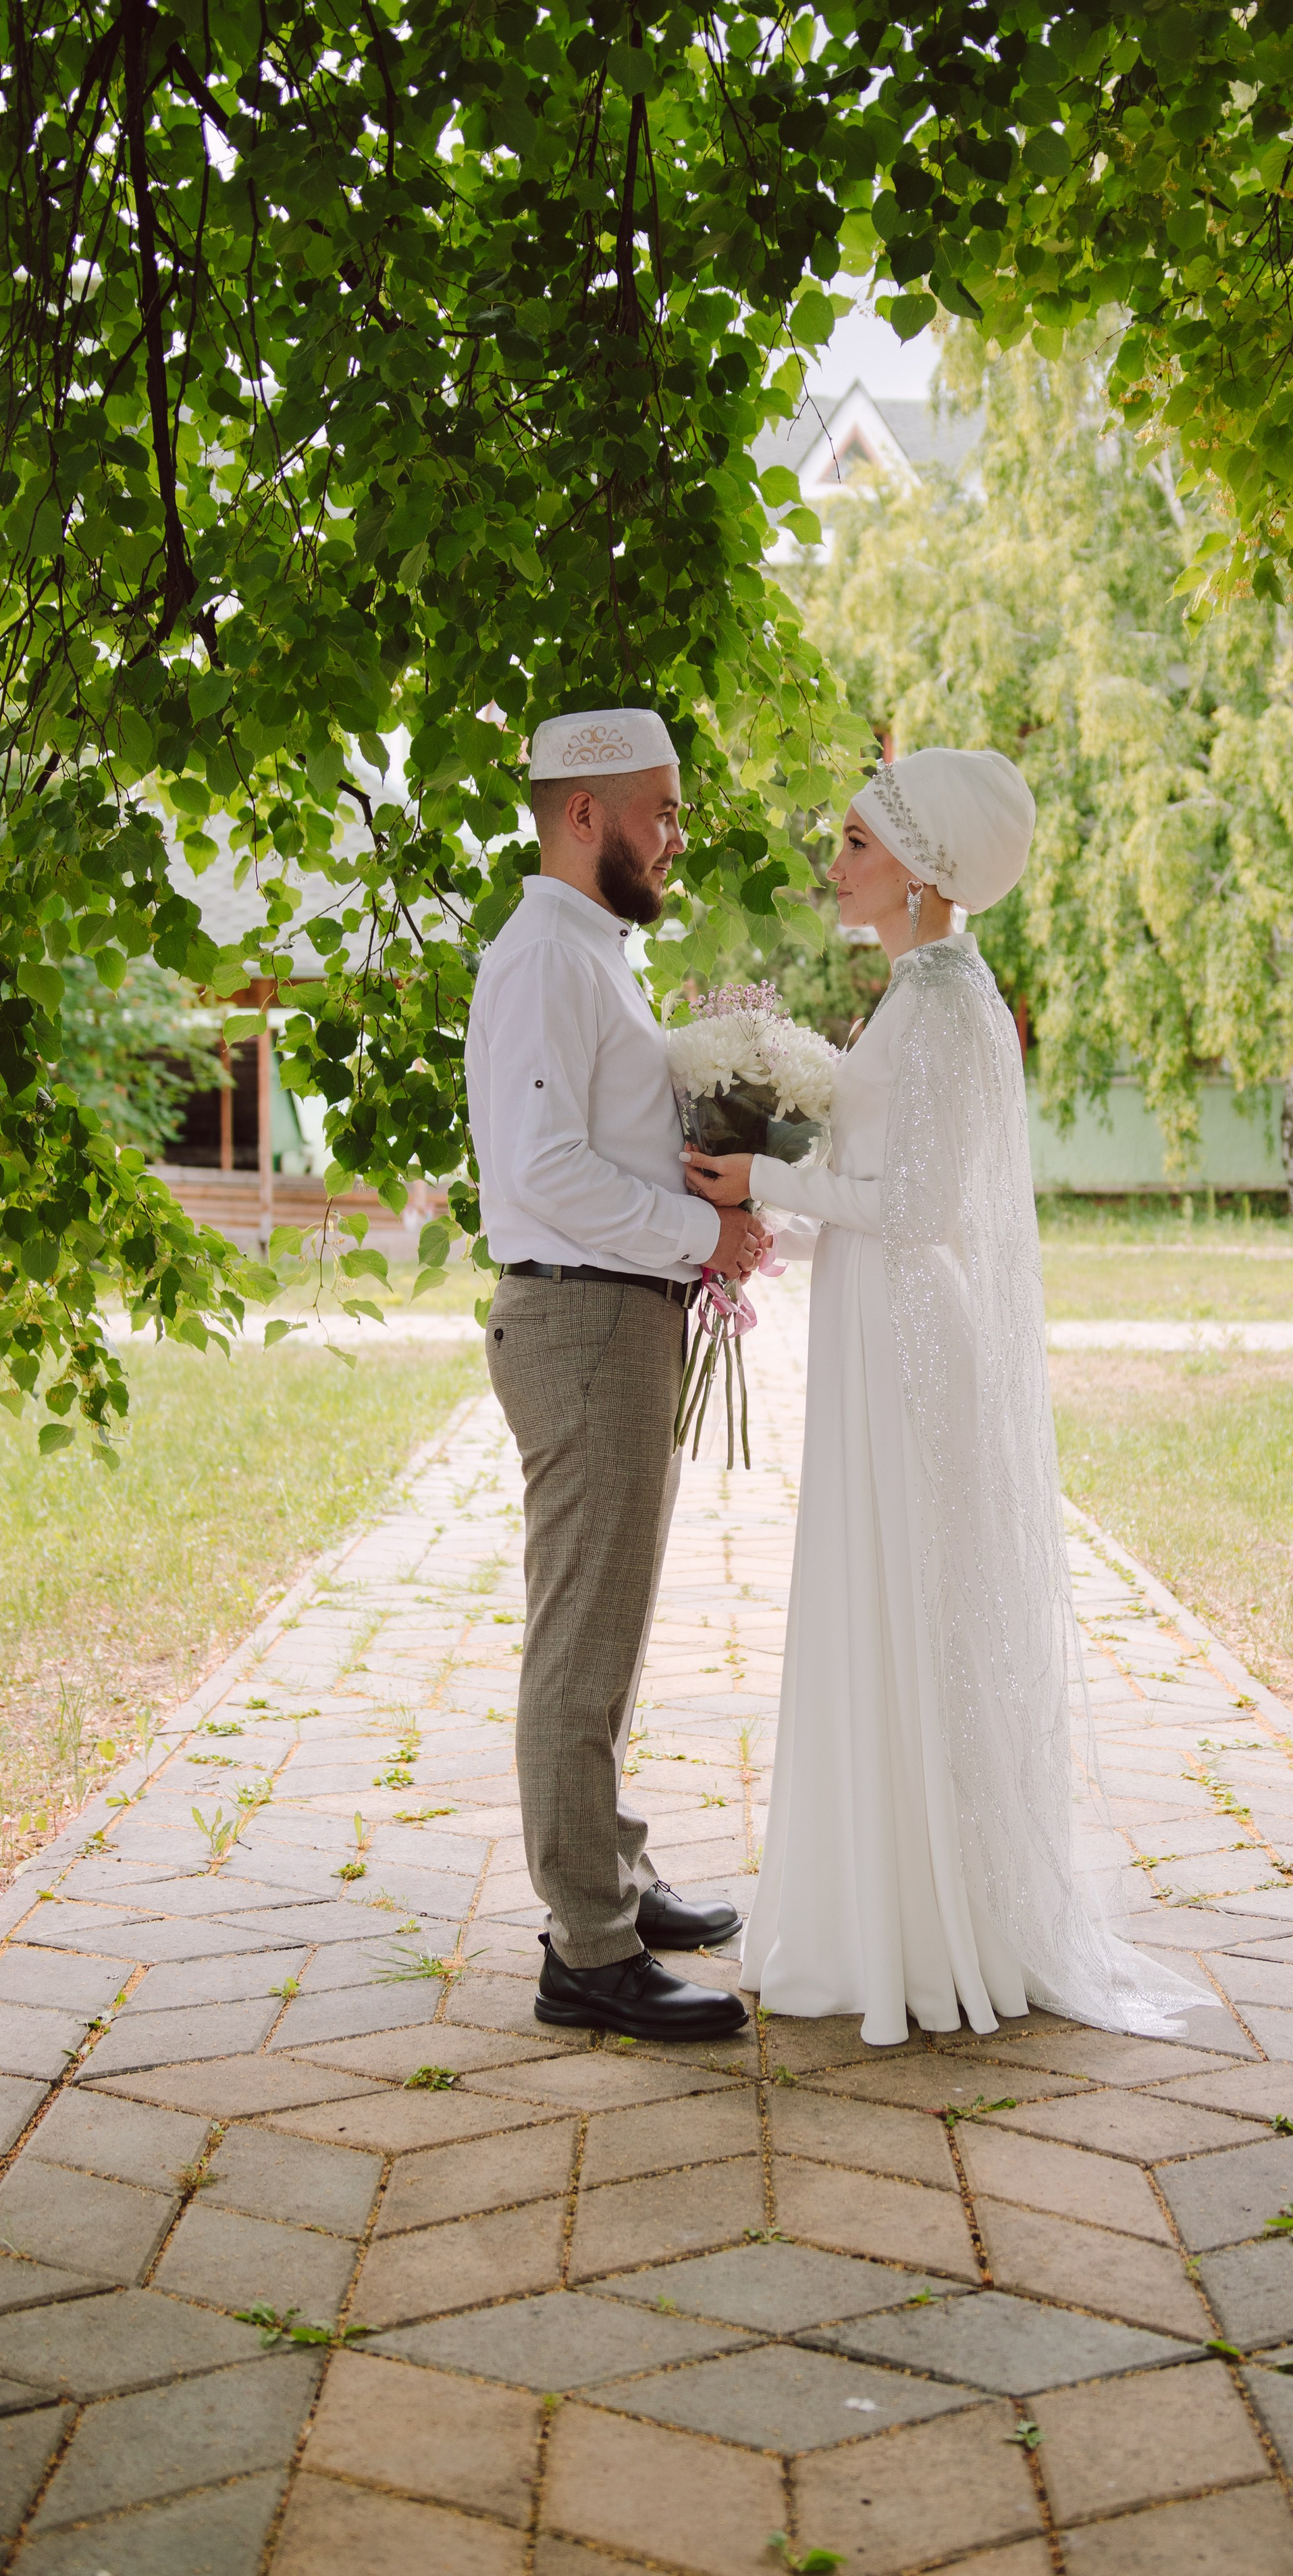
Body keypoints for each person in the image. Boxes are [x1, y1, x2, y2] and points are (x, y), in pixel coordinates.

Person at [683, 748, 1209, 2046]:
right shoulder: (932, 993)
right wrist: (772, 1202)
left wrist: (761, 1185)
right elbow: (884, 1187)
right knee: (885, 1604)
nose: (839, 862)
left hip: (915, 1347)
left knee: (908, 1608)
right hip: (892, 1332)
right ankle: (887, 1909)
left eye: (858, 842)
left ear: (920, 870)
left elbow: (911, 1210)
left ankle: (922, 1932)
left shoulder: (944, 1003)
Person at [466, 706, 772, 2044]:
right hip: (581, 1325)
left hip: (617, 1319)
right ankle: (583, 1949)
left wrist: (712, 1198)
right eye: (659, 808)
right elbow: (541, 1172)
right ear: (581, 816)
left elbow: (606, 1144)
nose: (676, 833)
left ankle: (617, 1873)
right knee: (578, 1641)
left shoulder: (595, 954)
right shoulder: (544, 958)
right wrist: (701, 1232)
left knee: (609, 1628)